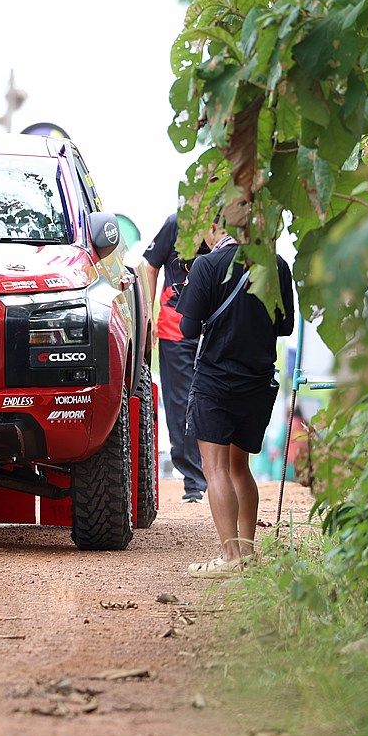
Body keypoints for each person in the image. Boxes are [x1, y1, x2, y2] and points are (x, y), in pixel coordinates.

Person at [176, 214, 293, 577]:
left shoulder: (208, 266)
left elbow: (187, 328)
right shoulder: (277, 265)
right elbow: (285, 325)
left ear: (216, 228)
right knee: (241, 468)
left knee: (216, 471)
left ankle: (230, 558)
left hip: (215, 382)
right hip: (257, 382)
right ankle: (247, 554)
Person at [141, 212, 210, 502]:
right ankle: (194, 481)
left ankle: (215, 475)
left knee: (212, 398)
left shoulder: (231, 221)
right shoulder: (176, 223)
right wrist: (148, 316)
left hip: (214, 328)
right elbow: (149, 266)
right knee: (180, 401)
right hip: (174, 327)